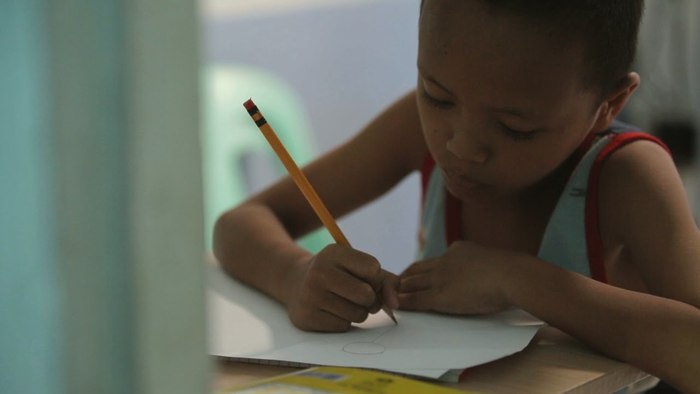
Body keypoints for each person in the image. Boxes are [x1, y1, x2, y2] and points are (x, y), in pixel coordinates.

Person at [214, 1, 700, 391]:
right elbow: (239, 223)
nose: (461, 146)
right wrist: (294, 275)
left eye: (516, 128)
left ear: (608, 105)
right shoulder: (414, 129)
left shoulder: (626, 175)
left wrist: (519, 281)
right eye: (437, 96)